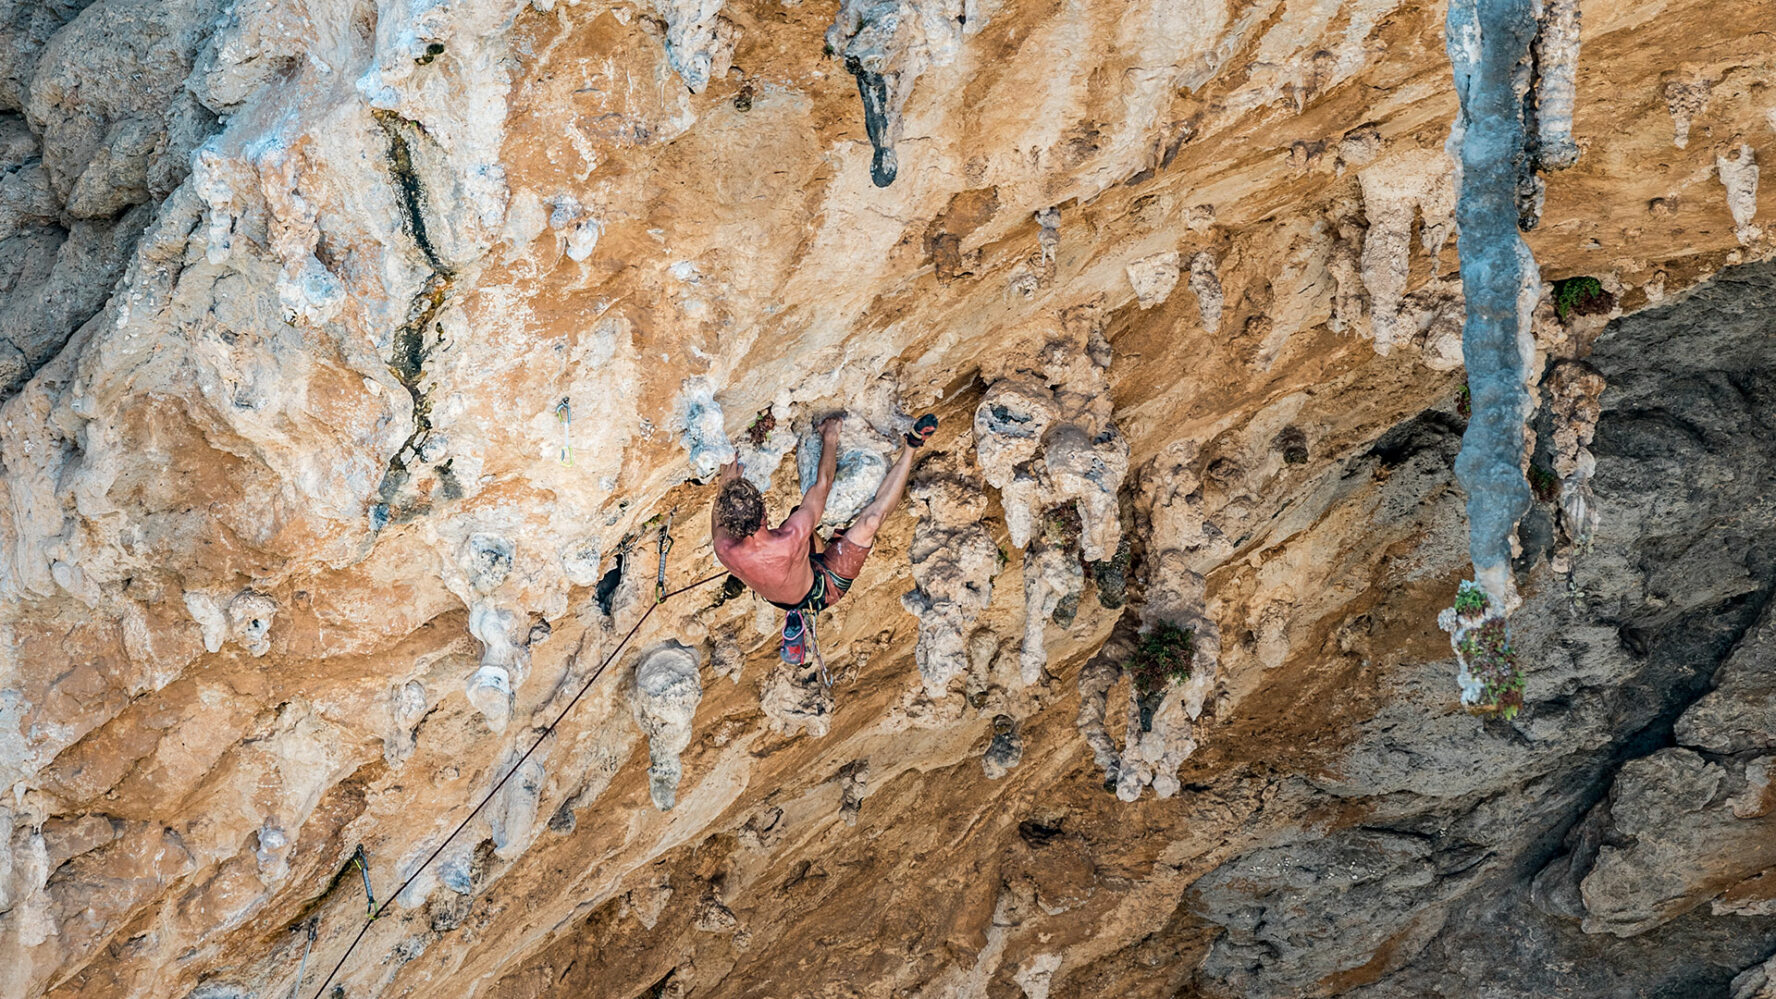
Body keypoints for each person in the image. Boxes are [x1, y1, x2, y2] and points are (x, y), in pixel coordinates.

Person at [712, 413, 937, 667]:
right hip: (824, 587)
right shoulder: (790, 535)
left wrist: (724, 487)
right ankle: (911, 446)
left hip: (789, 578)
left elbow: (719, 514)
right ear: (765, 512)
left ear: (730, 525)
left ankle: (797, 607)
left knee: (799, 516)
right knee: (870, 523)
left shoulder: (724, 547)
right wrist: (830, 436)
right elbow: (823, 483)